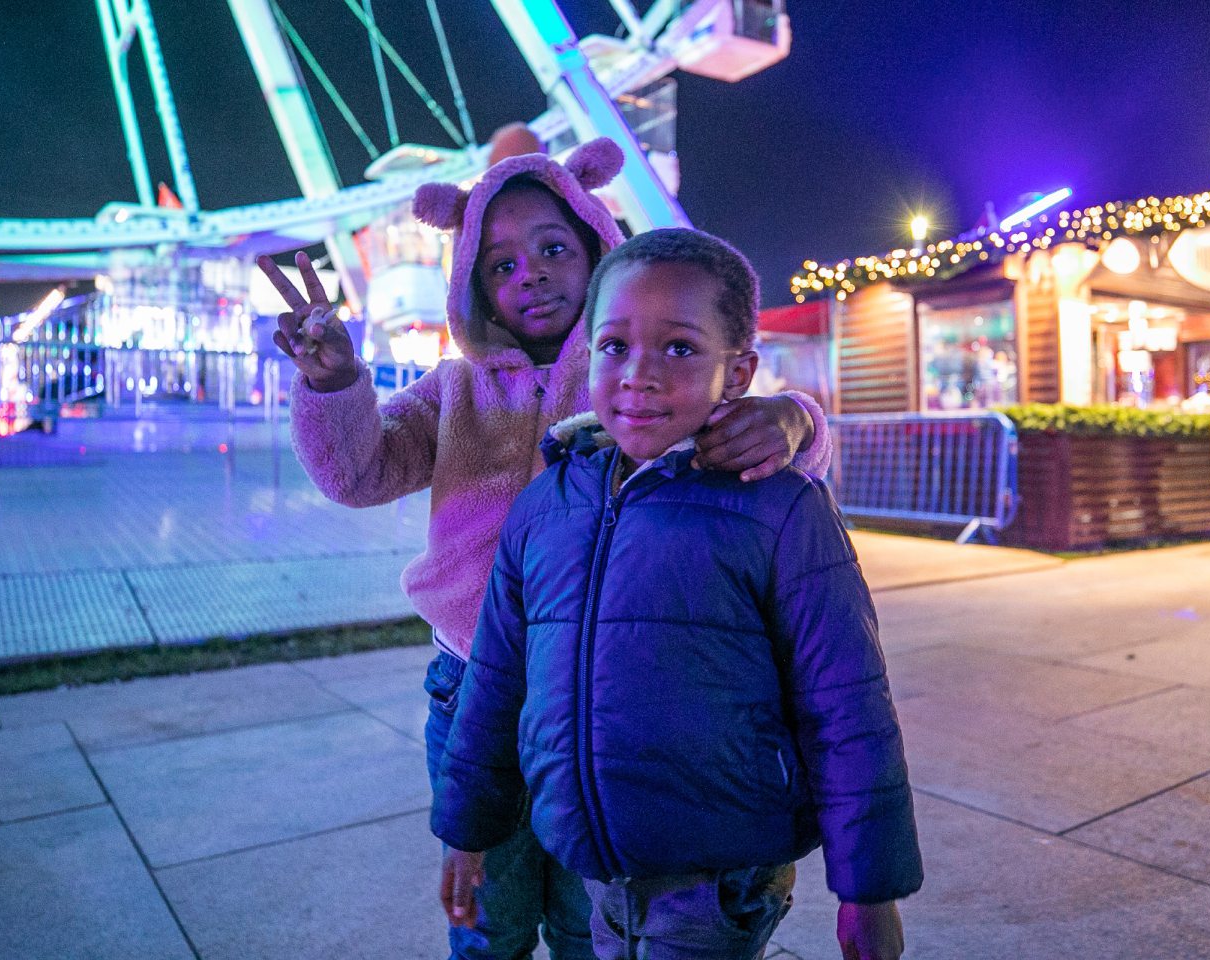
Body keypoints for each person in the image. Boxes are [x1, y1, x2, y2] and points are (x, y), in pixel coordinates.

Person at [256, 140, 832, 960]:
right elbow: (359, 471)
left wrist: (792, 419)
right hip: (470, 687)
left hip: (602, 690)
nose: (528, 273)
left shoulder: (630, 383)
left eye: (553, 248)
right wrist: (332, 384)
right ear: (472, 285)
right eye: (499, 265)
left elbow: (759, 438)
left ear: (600, 247)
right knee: (490, 923)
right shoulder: (452, 392)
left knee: (586, 921)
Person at [433, 228, 922, 960]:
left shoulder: (778, 509)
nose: (639, 373)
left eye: (680, 348)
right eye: (614, 346)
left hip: (718, 879)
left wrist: (868, 890)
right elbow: (496, 684)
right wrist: (466, 833)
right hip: (597, 866)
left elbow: (847, 703)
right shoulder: (545, 507)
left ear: (739, 370)